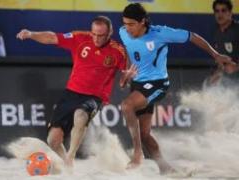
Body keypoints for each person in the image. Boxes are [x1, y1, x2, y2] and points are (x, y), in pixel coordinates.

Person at [119, 3, 234, 174]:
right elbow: (130, 51)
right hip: (138, 83)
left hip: (158, 83)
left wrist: (215, 55)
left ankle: (137, 154)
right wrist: (128, 72)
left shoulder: (160, 33)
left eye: (131, 24)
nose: (127, 28)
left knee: (127, 106)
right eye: (125, 23)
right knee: (144, 134)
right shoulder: (123, 32)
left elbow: (192, 36)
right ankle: (166, 168)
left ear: (142, 21)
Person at [16, 16, 131, 168]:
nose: (96, 38)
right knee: (53, 141)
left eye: (100, 35)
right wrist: (31, 34)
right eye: (94, 33)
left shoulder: (119, 51)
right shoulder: (80, 38)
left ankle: (71, 155)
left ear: (110, 32)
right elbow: (52, 37)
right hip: (71, 93)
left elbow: (124, 81)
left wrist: (126, 79)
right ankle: (67, 165)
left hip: (94, 97)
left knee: (80, 115)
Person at [207, 0, 239, 85]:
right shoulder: (216, 33)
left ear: (230, 13)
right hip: (230, 81)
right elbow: (222, 59)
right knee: (207, 86)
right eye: (217, 11)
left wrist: (236, 67)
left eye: (223, 10)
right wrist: (218, 73)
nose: (220, 14)